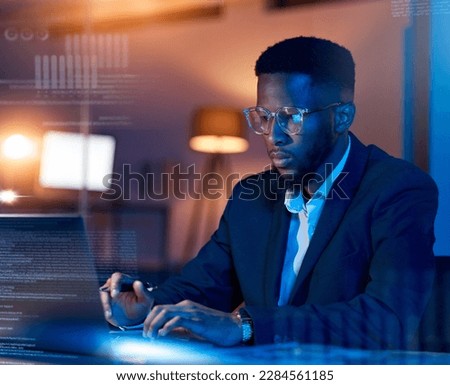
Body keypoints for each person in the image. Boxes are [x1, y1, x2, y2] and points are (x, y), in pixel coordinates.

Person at [100, 36, 438, 350]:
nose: (273, 135)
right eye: (263, 116)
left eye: (291, 117)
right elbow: (201, 287)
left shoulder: (398, 190)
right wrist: (144, 306)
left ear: (341, 117)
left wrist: (246, 326)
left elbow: (387, 320)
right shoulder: (252, 195)